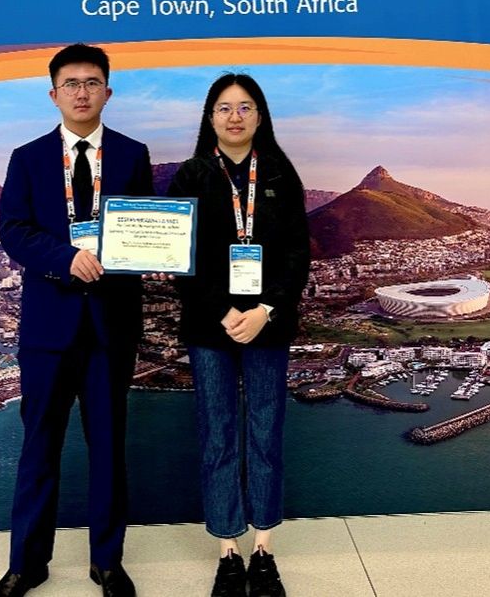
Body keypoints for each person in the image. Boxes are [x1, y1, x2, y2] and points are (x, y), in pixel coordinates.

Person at [0, 43, 152, 597]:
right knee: (39, 448)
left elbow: (145, 226)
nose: (82, 92)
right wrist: (65, 258)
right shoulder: (28, 158)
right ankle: (27, 564)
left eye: (92, 82)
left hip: (111, 327)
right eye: (71, 84)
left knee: (108, 449)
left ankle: (107, 562)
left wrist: (155, 250)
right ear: (53, 94)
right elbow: (13, 231)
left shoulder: (132, 154)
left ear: (108, 91)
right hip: (47, 330)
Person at [168, 73, 310, 597]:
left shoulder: (279, 172)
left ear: (260, 116)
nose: (235, 116)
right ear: (210, 118)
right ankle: (228, 549)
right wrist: (226, 310)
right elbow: (182, 258)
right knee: (218, 433)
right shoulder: (191, 175)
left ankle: (264, 549)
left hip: (268, 325)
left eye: (245, 107)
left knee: (266, 431)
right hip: (210, 326)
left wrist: (265, 309)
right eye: (224, 108)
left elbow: (297, 253)